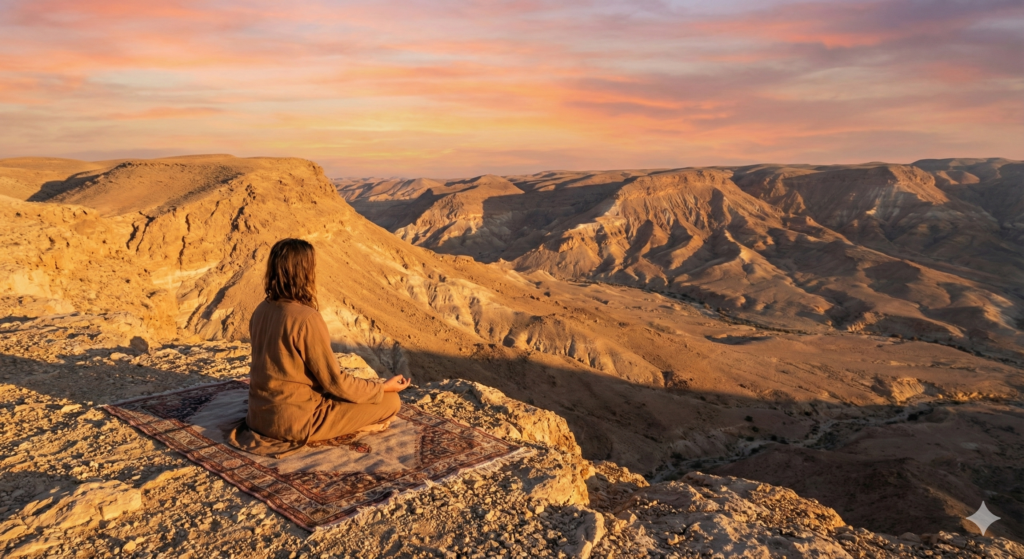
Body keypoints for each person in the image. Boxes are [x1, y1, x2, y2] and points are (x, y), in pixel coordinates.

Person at [228, 238, 410, 457]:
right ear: (304, 272)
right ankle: (354, 428)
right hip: (295, 421)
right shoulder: (306, 318)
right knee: (391, 402)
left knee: (356, 397)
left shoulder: (261, 310)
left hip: (259, 416)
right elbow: (335, 382)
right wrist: (382, 388)